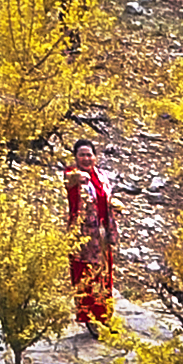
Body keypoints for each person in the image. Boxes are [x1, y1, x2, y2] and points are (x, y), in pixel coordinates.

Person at [64, 137, 121, 336]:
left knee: (105, 276)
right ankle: (90, 318)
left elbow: (105, 197)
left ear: (95, 157)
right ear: (76, 157)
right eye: (82, 155)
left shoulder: (101, 176)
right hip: (84, 236)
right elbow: (70, 181)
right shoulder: (72, 175)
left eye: (89, 154)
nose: (86, 158)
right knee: (87, 275)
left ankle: (106, 316)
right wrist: (77, 178)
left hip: (103, 234)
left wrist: (114, 205)